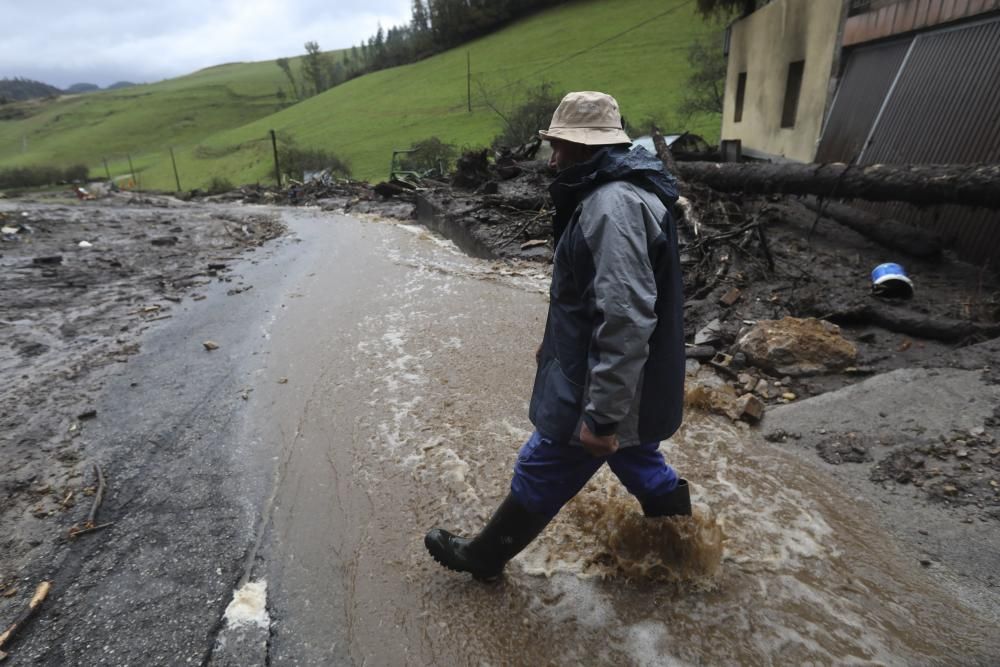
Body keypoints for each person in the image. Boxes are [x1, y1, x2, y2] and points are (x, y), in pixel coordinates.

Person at [425, 91, 689, 582]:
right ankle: (686, 555)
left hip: (605, 382)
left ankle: (485, 556)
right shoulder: (621, 192)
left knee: (543, 462)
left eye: (560, 146)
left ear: (584, 147)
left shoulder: (612, 206)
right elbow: (589, 297)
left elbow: (627, 315)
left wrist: (603, 415)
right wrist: (554, 344)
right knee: (640, 462)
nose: (552, 160)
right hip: (626, 375)